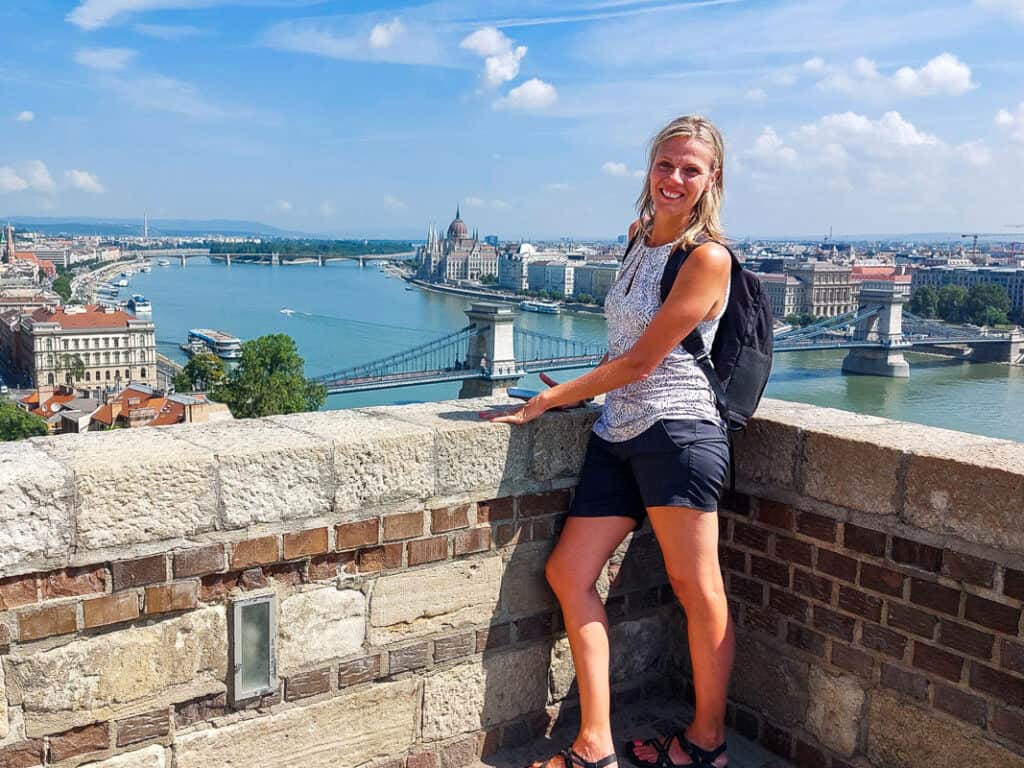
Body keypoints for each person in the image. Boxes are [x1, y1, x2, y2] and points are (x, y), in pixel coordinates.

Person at [487, 115, 734, 768]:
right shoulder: (636, 239)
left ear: (713, 179)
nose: (674, 178)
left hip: (678, 435)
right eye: (665, 164)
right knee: (569, 572)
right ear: (649, 168)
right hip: (618, 430)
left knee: (696, 588)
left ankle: (707, 744)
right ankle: (594, 744)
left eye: (690, 169)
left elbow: (644, 362)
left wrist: (554, 397)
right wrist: (582, 388)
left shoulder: (706, 257)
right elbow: (622, 349)